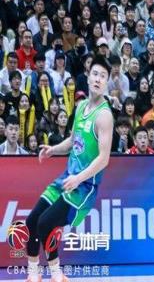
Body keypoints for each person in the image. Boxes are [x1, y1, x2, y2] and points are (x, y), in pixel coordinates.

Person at [24, 56, 113, 282]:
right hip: (67, 178)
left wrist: (78, 179)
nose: (98, 79)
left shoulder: (104, 116)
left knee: (45, 224)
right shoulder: (81, 106)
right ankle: (33, 275)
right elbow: (73, 141)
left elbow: (103, 159)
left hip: (84, 188)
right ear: (88, 76)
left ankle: (57, 275)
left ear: (107, 83)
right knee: (32, 222)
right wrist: (53, 150)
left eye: (103, 76)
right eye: (95, 74)